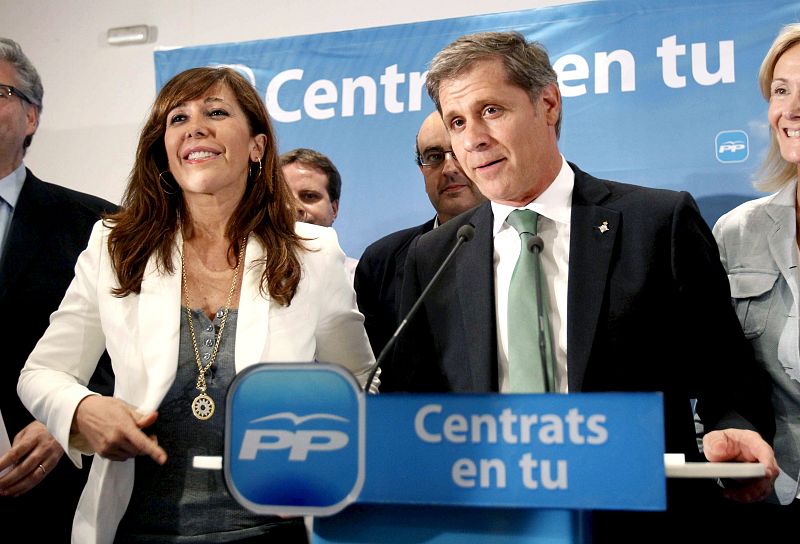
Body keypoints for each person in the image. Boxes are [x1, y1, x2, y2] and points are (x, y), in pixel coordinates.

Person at [384, 31, 778, 540]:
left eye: (491, 111)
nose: (472, 138)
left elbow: (729, 377)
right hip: (491, 525)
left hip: (637, 520)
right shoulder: (434, 255)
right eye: (457, 121)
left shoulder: (656, 222)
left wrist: (738, 430)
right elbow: (414, 405)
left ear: (547, 103)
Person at [17, 66, 376, 543]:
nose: (195, 127)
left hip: (273, 530)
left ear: (257, 146)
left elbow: (360, 384)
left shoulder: (312, 252)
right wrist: (83, 410)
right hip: (135, 529)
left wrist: (324, 464)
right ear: (165, 149)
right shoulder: (115, 245)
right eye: (178, 118)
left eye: (217, 112)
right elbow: (40, 373)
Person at [0, 37, 116, 541]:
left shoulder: (98, 225)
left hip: (46, 479)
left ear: (32, 117)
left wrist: (68, 417)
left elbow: (129, 350)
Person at [713, 22, 800, 522]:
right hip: (771, 499)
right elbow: (720, 373)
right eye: (781, 91)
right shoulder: (737, 231)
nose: (790, 110)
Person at [354, 111, 485, 357]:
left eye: (459, 152)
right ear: (422, 171)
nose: (448, 168)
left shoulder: (525, 243)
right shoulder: (381, 261)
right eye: (434, 157)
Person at [279, 147, 358, 281]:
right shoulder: (240, 278)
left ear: (334, 209)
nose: (293, 207)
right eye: (282, 197)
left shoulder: (361, 279)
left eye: (309, 196)